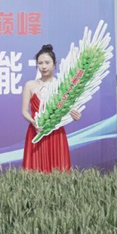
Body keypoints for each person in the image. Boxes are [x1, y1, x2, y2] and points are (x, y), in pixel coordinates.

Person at [21, 44, 81, 172]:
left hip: (56, 133)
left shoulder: (63, 85)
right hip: (36, 131)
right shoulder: (30, 85)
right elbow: (24, 111)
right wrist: (34, 122)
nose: (43, 66)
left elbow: (70, 108)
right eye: (40, 63)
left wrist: (76, 114)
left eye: (47, 63)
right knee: (34, 172)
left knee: (59, 172)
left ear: (55, 64)